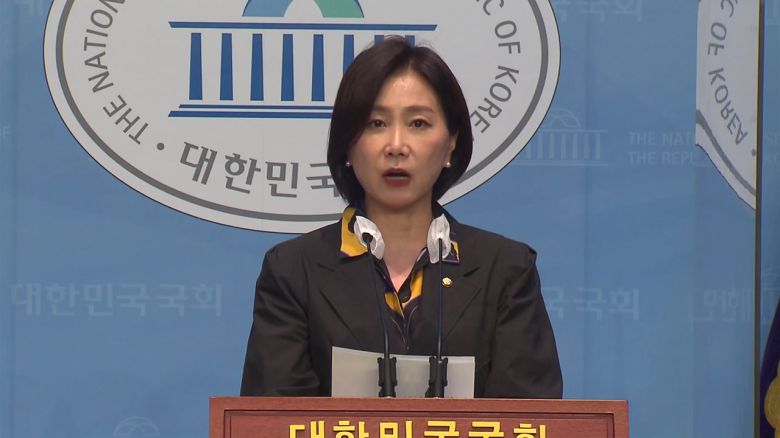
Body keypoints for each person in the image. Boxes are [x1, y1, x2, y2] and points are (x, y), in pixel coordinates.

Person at [240, 37, 562, 398]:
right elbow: (272, 418)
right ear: (348, 144)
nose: (396, 145)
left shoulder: (505, 271)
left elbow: (531, 417)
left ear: (451, 143)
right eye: (376, 123)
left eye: (418, 123)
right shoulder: (293, 272)